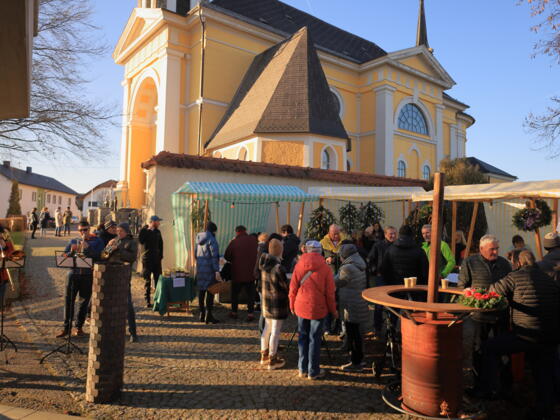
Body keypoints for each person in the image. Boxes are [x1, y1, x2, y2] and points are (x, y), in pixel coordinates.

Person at [472, 251, 560, 419]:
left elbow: (492, 291)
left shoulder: (515, 276)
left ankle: (492, 390)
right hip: (550, 335)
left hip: (526, 335)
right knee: (542, 368)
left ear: (518, 263)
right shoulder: (549, 279)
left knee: (488, 348)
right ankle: (545, 408)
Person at [458, 234, 512, 374]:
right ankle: (480, 378)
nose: (495, 252)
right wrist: (468, 292)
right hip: (479, 315)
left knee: (502, 348)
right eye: (491, 249)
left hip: (500, 314)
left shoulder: (504, 263)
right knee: (479, 347)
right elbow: (462, 286)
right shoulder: (470, 262)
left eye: (497, 248)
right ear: (481, 249)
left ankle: (501, 378)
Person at [290, 241, 337, 380]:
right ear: (320, 251)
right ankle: (313, 371)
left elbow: (292, 288)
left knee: (302, 337)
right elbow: (330, 293)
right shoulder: (326, 268)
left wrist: (291, 304)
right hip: (318, 306)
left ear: (307, 250)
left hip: (301, 305)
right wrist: (333, 310)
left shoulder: (299, 265)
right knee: (314, 339)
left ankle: (302, 368)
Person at [56, 221, 104, 338]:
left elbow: (100, 256)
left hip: (87, 275)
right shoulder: (73, 241)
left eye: (85, 230)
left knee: (83, 303)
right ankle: (66, 328)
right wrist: (71, 252)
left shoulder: (97, 241)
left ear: (89, 229)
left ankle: (79, 327)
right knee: (68, 301)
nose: (83, 232)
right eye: (81, 230)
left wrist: (88, 248)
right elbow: (63, 257)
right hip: (73, 274)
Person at [335, 243, 369, 371]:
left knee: (353, 335)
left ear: (344, 255)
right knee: (358, 334)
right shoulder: (359, 263)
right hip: (359, 302)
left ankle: (356, 363)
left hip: (351, 305)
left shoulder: (347, 268)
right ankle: (359, 359)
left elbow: (336, 281)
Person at [104, 222, 139, 342]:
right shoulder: (114, 240)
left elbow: (131, 257)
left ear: (126, 231)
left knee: (128, 304)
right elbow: (103, 256)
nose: (118, 233)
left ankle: (133, 332)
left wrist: (118, 248)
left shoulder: (131, 242)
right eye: (117, 231)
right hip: (111, 274)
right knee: (111, 304)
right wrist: (108, 247)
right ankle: (113, 331)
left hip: (123, 275)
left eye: (121, 231)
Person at [259, 238, 289, 370]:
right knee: (275, 332)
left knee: (267, 329)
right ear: (279, 251)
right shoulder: (278, 268)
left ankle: (264, 355)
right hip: (277, 303)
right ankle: (273, 359)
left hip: (266, 302)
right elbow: (285, 286)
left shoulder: (264, 264)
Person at [367, 226, 397, 333]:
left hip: (394, 278)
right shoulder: (378, 245)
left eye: (394, 233)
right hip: (381, 278)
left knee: (394, 303)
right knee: (379, 303)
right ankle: (377, 327)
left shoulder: (398, 245)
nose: (393, 236)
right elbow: (370, 259)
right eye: (390, 234)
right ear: (385, 234)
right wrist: (375, 271)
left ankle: (392, 327)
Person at [225, 225, 258, 321]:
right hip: (250, 273)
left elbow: (227, 256)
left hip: (237, 273)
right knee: (250, 295)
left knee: (235, 294)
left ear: (236, 232)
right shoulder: (253, 240)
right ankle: (250, 314)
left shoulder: (234, 242)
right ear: (245, 230)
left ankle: (234, 312)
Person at [195, 222, 221, 324]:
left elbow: (196, 255)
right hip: (210, 270)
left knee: (201, 292)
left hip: (200, 269)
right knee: (210, 292)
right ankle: (208, 315)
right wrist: (217, 270)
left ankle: (201, 314)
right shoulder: (212, 240)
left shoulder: (198, 238)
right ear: (214, 231)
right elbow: (214, 257)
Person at [138, 215, 163, 307]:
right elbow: (141, 241)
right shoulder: (144, 230)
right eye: (158, 221)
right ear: (153, 222)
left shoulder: (158, 232)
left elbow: (161, 245)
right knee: (147, 281)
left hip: (156, 260)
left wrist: (160, 256)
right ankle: (147, 300)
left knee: (158, 280)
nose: (159, 223)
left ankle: (157, 300)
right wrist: (148, 230)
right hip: (147, 259)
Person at [0, 226, 15, 303]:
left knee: (2, 293)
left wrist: (5, 247)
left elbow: (13, 255)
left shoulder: (6, 243)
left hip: (2, 275)